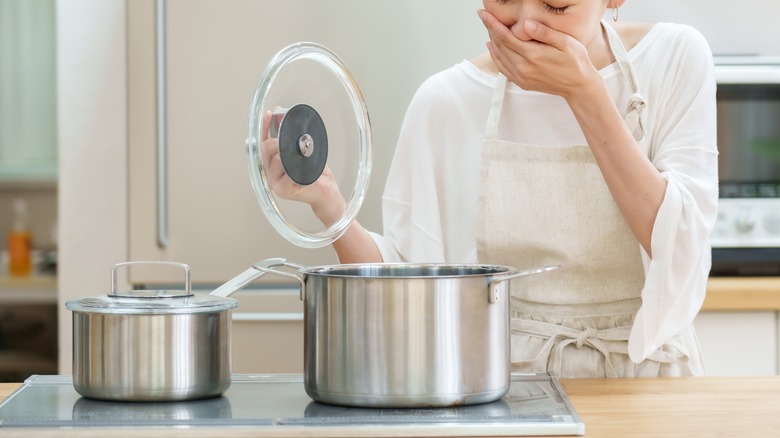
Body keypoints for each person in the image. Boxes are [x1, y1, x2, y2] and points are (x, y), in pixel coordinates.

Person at [262, 0, 718, 378]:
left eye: (556, 6)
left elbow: (681, 252)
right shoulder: (445, 101)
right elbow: (404, 286)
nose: (525, 26)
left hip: (651, 384)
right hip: (506, 386)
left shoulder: (675, 59)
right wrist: (331, 206)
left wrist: (585, 93)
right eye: (504, 0)